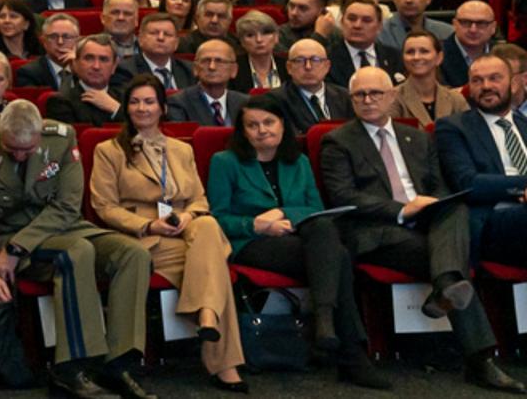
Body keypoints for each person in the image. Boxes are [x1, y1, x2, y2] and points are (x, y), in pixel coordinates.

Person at [319, 67, 526, 392]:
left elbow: (441, 188)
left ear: (392, 97)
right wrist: (402, 209)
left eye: (376, 93)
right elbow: (344, 197)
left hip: (428, 224)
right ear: (351, 100)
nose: (368, 100)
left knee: (456, 208)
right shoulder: (338, 141)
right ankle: (479, 359)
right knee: (451, 263)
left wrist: (430, 205)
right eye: (360, 95)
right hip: (377, 231)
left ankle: (447, 287)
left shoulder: (415, 137)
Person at [0, 100, 154, 398]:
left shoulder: (61, 139)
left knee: (133, 254)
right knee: (76, 252)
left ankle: (119, 363)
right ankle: (71, 368)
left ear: (39, 135)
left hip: (59, 230)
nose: (19, 155)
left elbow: (67, 207)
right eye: (11, 148)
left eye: (27, 149)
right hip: (5, 237)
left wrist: (17, 248)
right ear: (0, 134)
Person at [207, 97, 388, 387]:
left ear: (282, 125)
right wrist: (256, 224)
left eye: (269, 122)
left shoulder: (298, 161)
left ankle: (328, 322)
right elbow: (217, 218)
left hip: (302, 238)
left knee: (325, 232)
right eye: (252, 125)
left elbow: (314, 208)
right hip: (252, 243)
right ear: (242, 131)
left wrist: (283, 213)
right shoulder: (225, 162)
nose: (262, 130)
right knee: (337, 256)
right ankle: (346, 349)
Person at [89, 76, 246, 388]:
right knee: (214, 261)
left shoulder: (180, 150)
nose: (142, 108)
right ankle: (218, 348)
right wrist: (148, 225)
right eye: (135, 102)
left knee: (207, 224)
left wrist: (188, 215)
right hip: (142, 237)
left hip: (186, 230)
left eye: (149, 102)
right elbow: (104, 206)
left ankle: (207, 317)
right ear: (126, 108)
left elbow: (199, 200)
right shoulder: (109, 151)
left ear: (162, 107)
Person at [437, 56, 527, 268]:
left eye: (495, 78)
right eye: (477, 81)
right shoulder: (453, 127)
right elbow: (468, 183)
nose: (486, 86)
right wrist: (523, 186)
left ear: (514, 84)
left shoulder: (524, 124)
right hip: (492, 219)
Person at [45, 36, 126, 126]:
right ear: (75, 63)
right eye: (89, 58)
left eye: (103, 59)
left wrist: (116, 109)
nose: (96, 66)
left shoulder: (126, 99)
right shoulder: (61, 102)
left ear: (114, 66)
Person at [392, 31, 470, 124]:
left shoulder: (456, 99)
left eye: (424, 51)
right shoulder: (392, 98)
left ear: (439, 57)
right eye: (410, 52)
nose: (416, 57)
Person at [167, 39, 247, 128]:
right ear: (195, 68)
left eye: (219, 61)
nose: (212, 67)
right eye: (205, 61)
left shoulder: (245, 103)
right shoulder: (178, 103)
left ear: (234, 70)